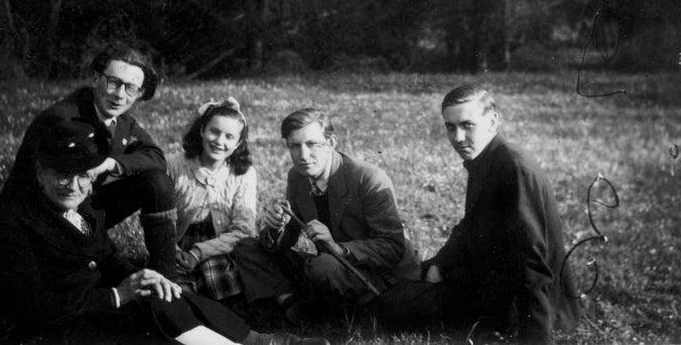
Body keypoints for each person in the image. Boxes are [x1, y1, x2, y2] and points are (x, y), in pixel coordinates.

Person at [0, 117, 329, 345]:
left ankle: (257, 339)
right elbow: (32, 307)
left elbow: (106, 256)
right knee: (159, 325)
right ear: (39, 171)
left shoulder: (81, 207)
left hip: (93, 305)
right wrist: (118, 295)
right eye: (62, 174)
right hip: (60, 328)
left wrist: (142, 276)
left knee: (166, 293)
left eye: (84, 175)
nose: (74, 185)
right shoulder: (13, 223)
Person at [371, 85, 581, 345]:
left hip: (517, 303)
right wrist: (440, 263)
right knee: (402, 286)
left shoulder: (512, 167)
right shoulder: (488, 158)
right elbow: (471, 224)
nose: (458, 137)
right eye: (450, 127)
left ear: (492, 122)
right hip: (491, 278)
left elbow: (532, 260)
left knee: (391, 307)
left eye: (467, 125)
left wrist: (535, 337)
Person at [0, 41, 177, 278]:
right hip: (39, 219)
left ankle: (168, 276)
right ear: (95, 78)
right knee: (99, 278)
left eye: (131, 88)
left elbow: (156, 157)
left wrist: (110, 164)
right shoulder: (63, 119)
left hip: (80, 205)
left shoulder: (120, 120)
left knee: (157, 182)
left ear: (139, 93)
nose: (120, 95)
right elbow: (40, 195)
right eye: (114, 83)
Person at [233, 108, 420, 322]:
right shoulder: (297, 176)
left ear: (331, 143)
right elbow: (288, 237)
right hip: (329, 267)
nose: (303, 156)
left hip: (378, 274)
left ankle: (323, 309)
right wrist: (277, 228)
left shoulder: (368, 178)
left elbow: (392, 246)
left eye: (312, 144)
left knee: (322, 266)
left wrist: (338, 248)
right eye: (294, 146)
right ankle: (292, 303)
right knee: (247, 248)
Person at [168, 97, 257, 301]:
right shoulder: (174, 166)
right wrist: (173, 250)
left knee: (216, 282)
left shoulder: (243, 174)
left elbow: (244, 230)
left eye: (229, 136)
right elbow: (161, 219)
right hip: (179, 243)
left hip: (220, 245)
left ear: (238, 143)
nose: (219, 141)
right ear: (201, 131)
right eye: (214, 132)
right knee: (176, 292)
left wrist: (198, 253)